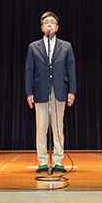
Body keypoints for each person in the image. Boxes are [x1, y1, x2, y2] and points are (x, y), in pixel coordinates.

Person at [25, 11, 76, 173]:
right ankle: (42, 161)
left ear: (57, 27)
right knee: (41, 128)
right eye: (46, 22)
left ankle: (58, 160)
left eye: (52, 22)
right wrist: (29, 93)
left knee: (58, 126)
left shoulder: (66, 46)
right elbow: (29, 71)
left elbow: (71, 70)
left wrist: (72, 91)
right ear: (42, 27)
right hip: (40, 90)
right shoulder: (33, 47)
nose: (49, 24)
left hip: (59, 90)